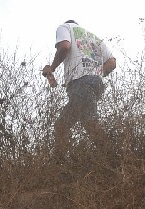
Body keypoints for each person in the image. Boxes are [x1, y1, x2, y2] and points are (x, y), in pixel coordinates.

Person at [41, 20, 117, 156]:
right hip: (96, 83)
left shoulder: (65, 27)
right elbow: (112, 62)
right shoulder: (93, 37)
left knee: (88, 122)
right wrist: (96, 74)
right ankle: (60, 161)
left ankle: (113, 157)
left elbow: (64, 47)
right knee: (63, 125)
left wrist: (52, 67)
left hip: (81, 83)